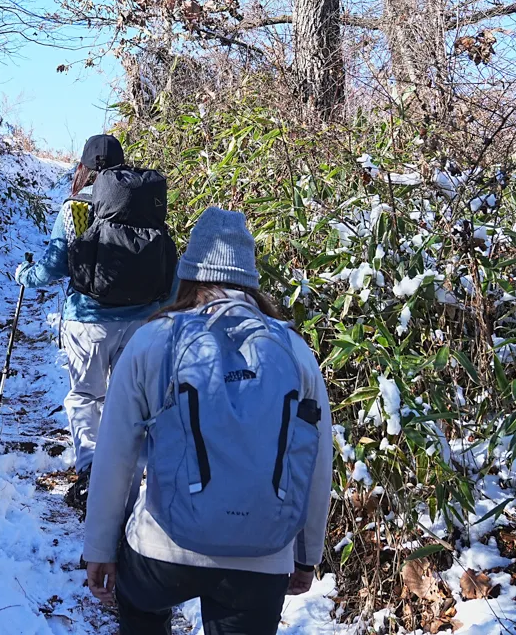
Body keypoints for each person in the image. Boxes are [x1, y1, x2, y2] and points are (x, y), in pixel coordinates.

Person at [80, 207, 334, 635]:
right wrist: (306, 555)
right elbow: (314, 461)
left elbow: (117, 455)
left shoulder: (155, 338)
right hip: (263, 556)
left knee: (141, 607)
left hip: (162, 549)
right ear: (251, 279)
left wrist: (100, 547)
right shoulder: (293, 350)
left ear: (189, 274)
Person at [15, 133, 174, 512]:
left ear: (85, 167)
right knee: (129, 403)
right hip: (140, 322)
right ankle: (127, 486)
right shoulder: (142, 205)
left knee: (86, 397)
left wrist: (25, 275)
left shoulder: (75, 208)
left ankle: (90, 471)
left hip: (86, 319)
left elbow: (53, 267)